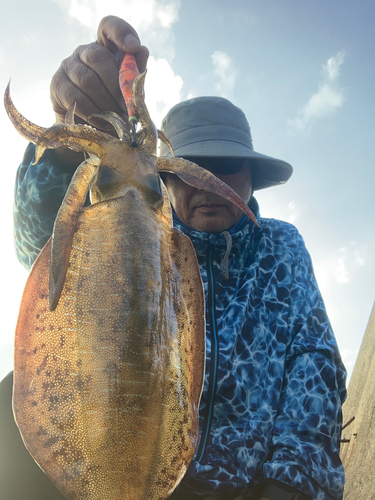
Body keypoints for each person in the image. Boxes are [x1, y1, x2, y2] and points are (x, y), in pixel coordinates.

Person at [0, 15, 346, 500]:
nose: (208, 186)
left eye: (226, 168)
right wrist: (64, 141)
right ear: (167, 176)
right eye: (192, 169)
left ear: (251, 176)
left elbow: (316, 363)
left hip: (239, 486)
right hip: (109, 457)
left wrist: (291, 481)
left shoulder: (279, 247)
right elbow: (36, 241)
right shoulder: (140, 229)